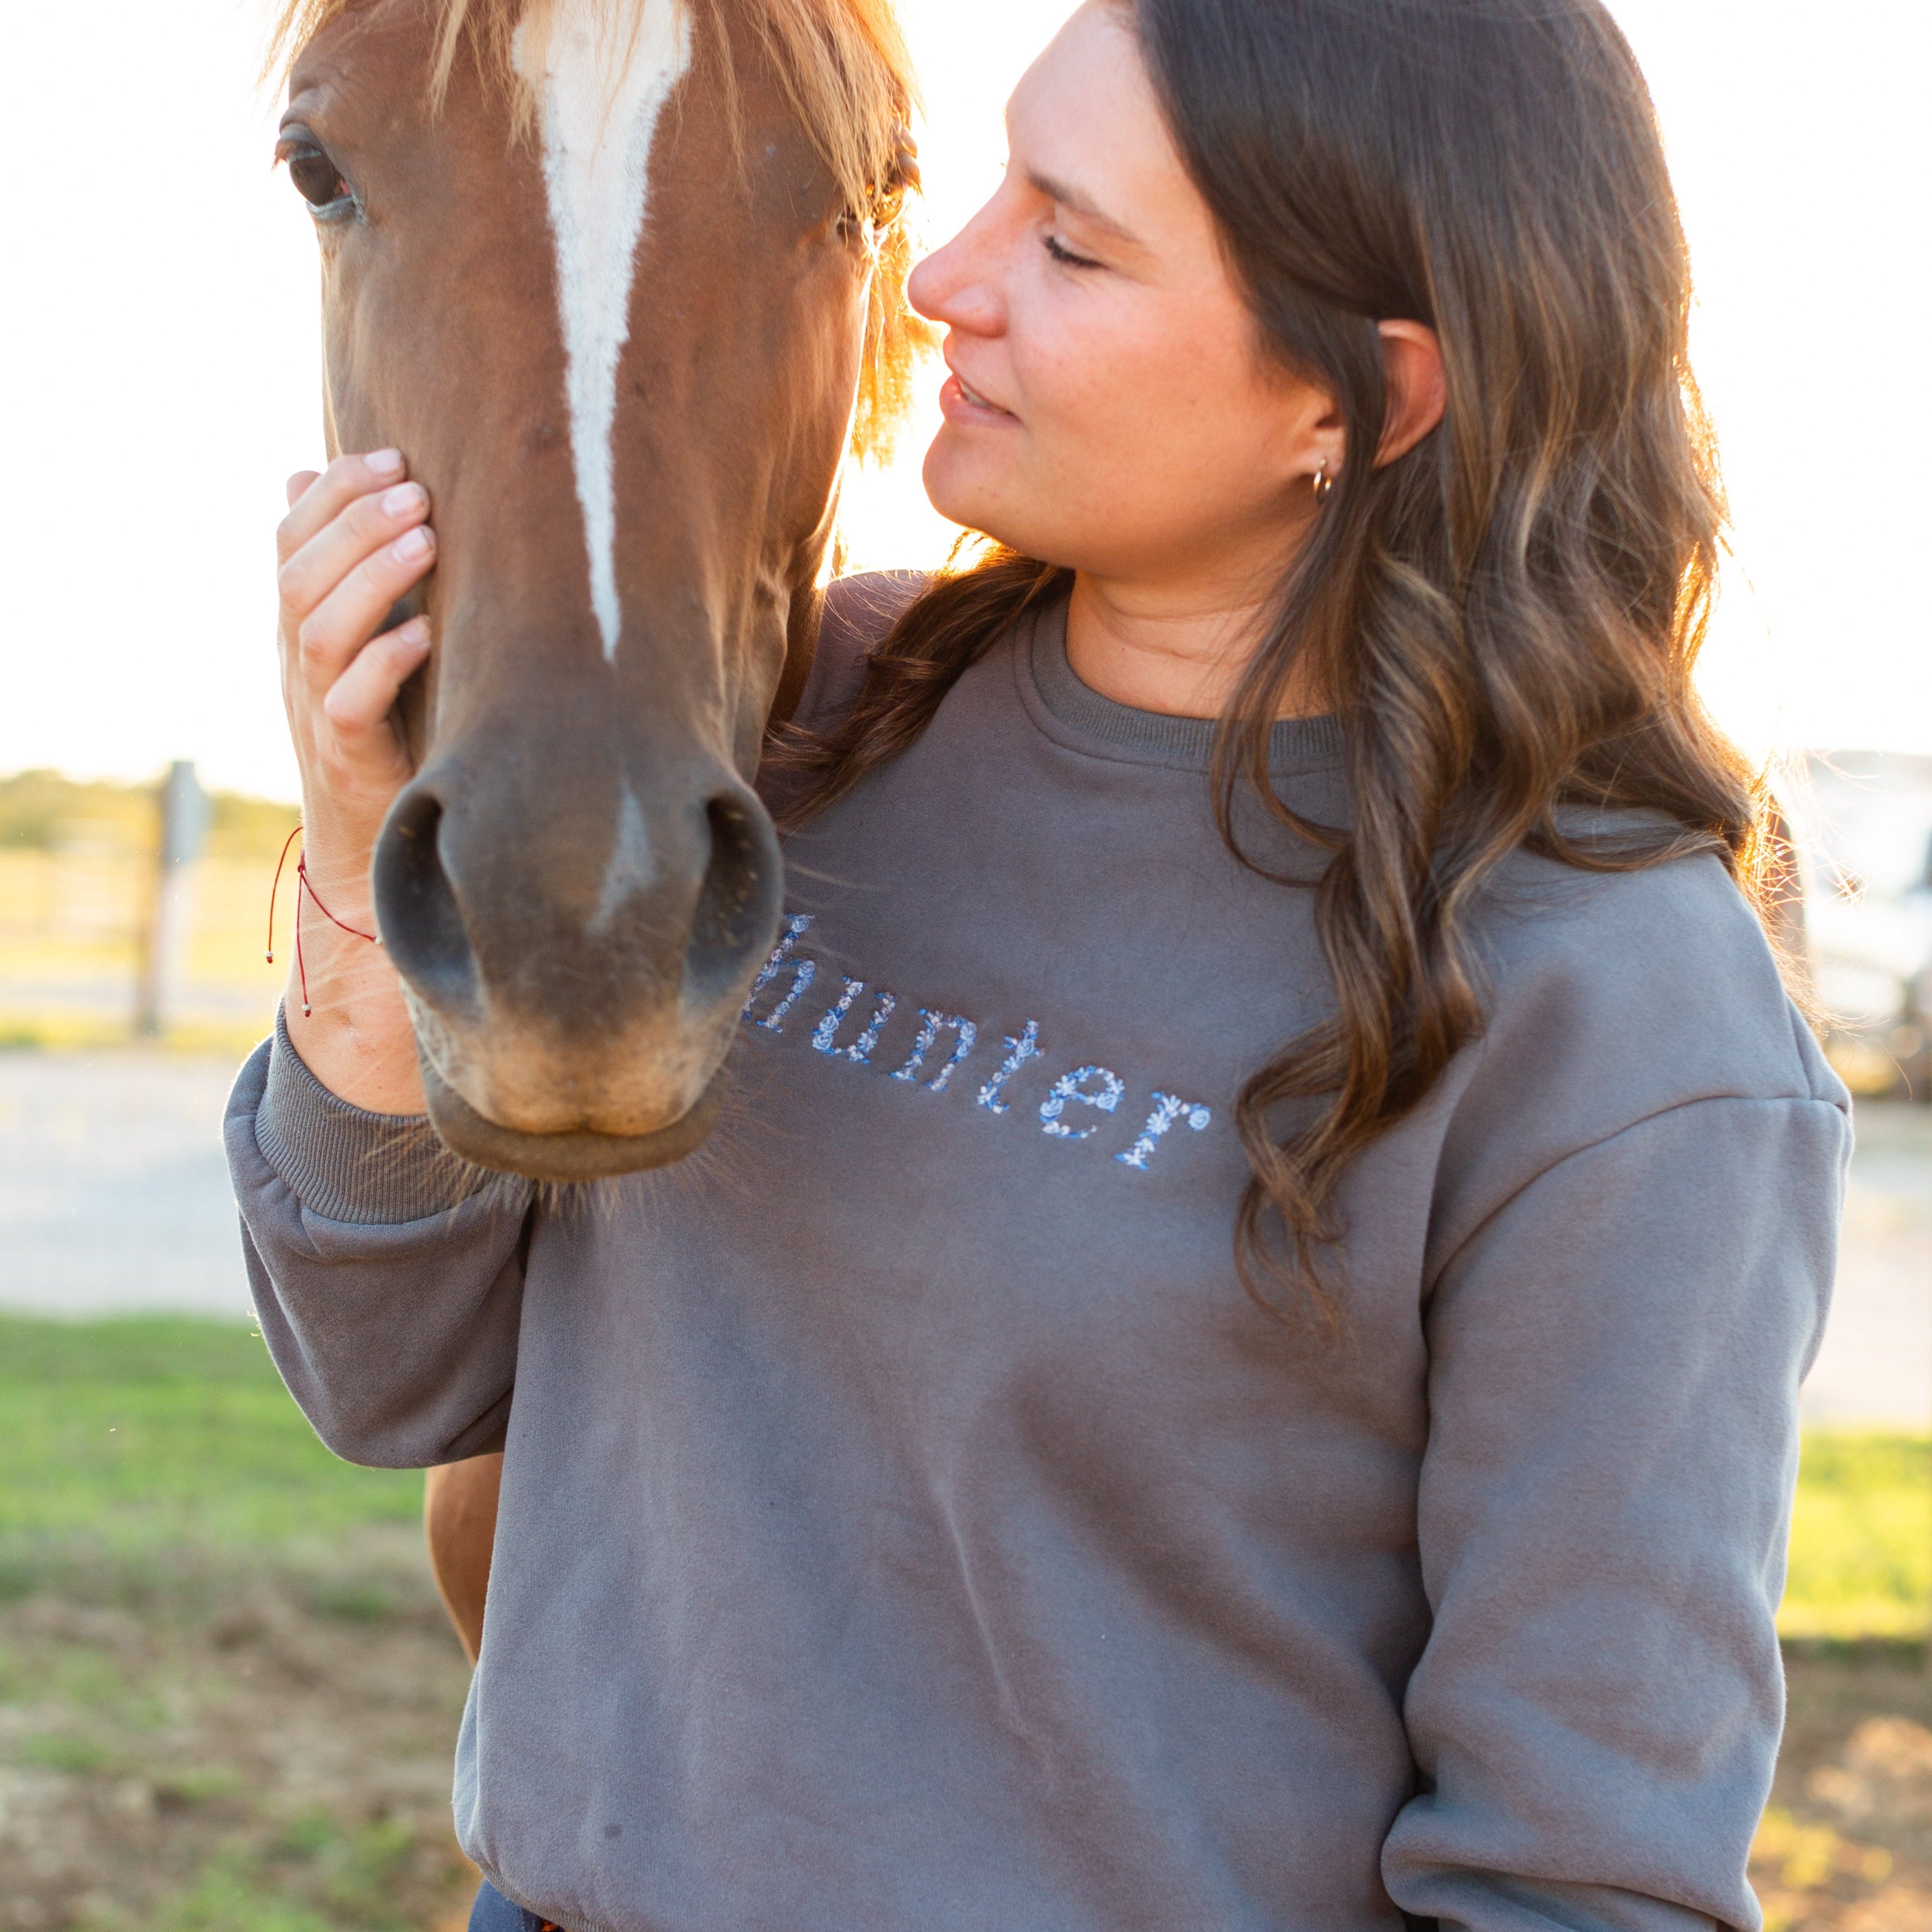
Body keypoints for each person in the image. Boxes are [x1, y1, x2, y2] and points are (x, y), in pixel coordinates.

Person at [230, 1, 1849, 1926]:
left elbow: (1585, 1877)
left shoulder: (1618, 1008)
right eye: (971, 186)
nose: (938, 284)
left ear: (1362, 401)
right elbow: (390, 1383)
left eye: (1070, 244)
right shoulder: (797, 734)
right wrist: (356, 832)